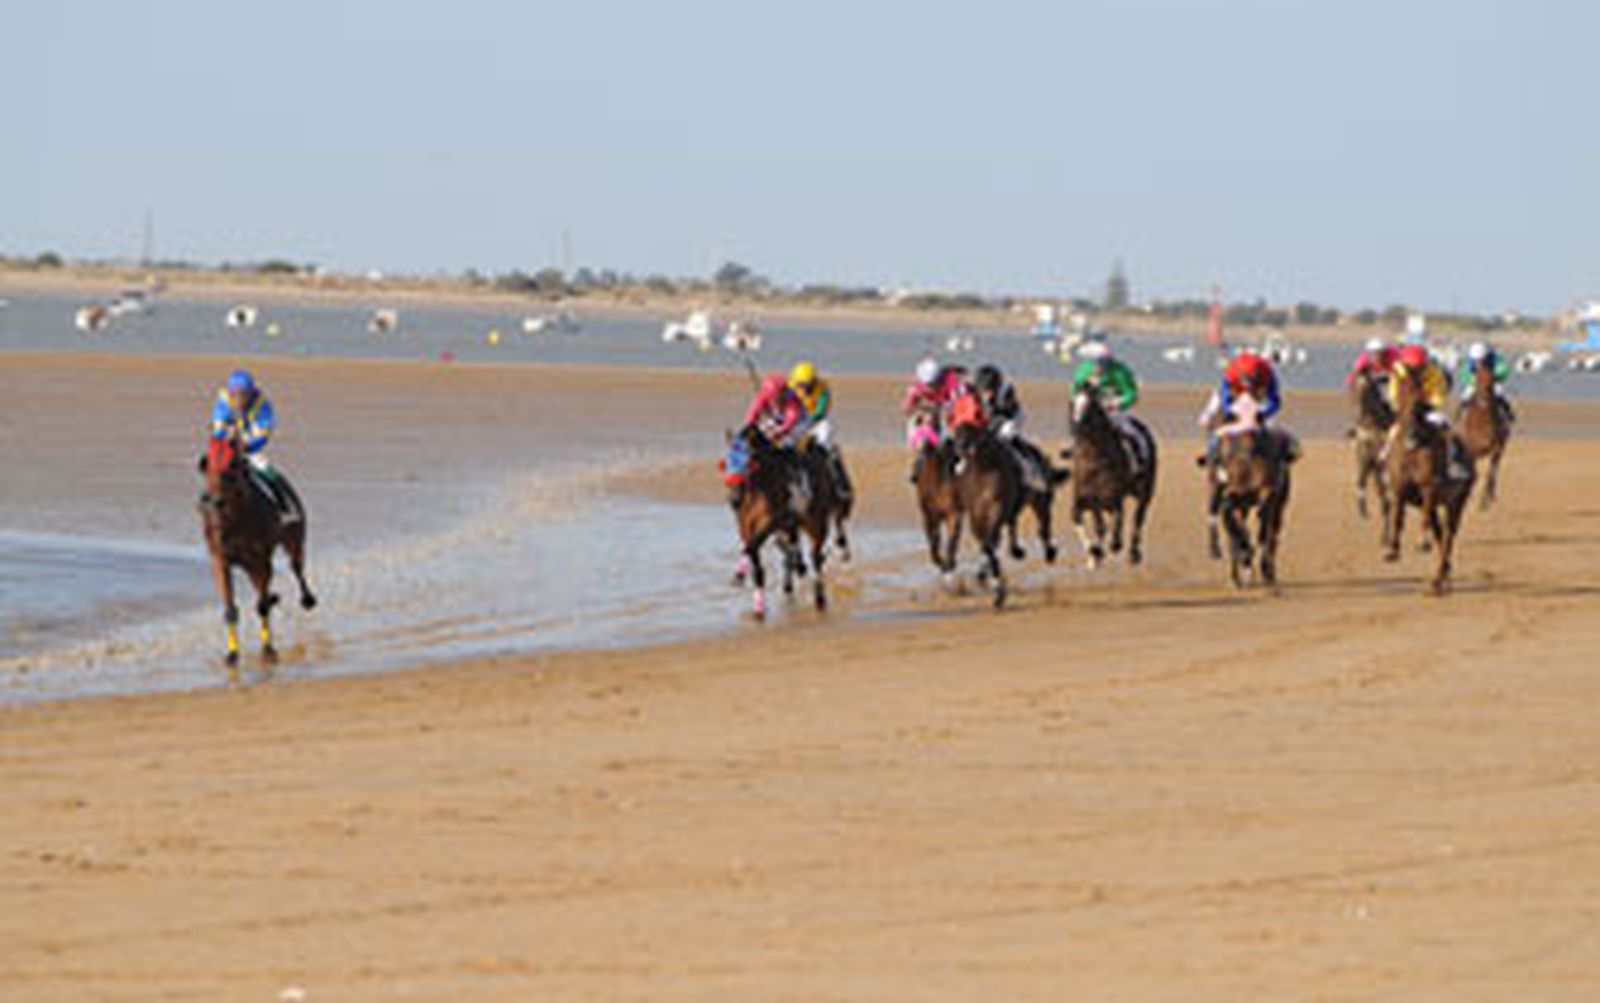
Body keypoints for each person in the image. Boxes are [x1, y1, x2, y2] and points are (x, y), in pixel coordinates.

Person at [208, 368, 300, 520]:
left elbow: (263, 433)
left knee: (268, 471)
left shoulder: (262, 405)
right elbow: (218, 425)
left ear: (250, 393)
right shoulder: (224, 400)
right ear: (230, 393)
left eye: (243, 395)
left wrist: (246, 444)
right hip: (226, 446)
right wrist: (226, 437)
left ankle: (285, 507)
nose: (239, 400)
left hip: (250, 448)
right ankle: (207, 500)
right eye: (235, 394)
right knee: (210, 467)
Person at [1387, 344, 1472, 479]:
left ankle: (1453, 461)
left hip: (1427, 409)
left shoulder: (1434, 372)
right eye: (1412, 367)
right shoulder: (1397, 373)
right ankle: (1386, 461)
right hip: (1407, 409)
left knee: (1447, 430)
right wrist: (1401, 406)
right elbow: (1392, 393)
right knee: (1392, 432)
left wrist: (1426, 401)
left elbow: (1439, 395)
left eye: (1419, 367)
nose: (1416, 370)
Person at [1070, 341, 1149, 473]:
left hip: (1115, 410)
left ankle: (1137, 457)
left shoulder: (1120, 372)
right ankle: (1073, 448)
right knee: (1081, 426)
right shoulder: (1084, 371)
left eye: (1101, 363)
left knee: (1130, 431)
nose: (1098, 367)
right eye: (1095, 363)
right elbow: (1075, 390)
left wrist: (1118, 402)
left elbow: (1132, 393)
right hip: (1092, 409)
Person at [973, 363, 1051, 492]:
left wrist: (993, 424)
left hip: (1012, 418)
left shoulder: (1006, 392)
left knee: (1007, 438)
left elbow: (1004, 415)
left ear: (996, 386)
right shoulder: (977, 393)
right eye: (983, 391)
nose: (986, 395)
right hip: (992, 420)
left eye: (988, 391)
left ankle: (1033, 472)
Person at [788, 360, 853, 504]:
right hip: (798, 422)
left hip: (817, 421)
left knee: (827, 434)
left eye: (807, 385)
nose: (804, 388)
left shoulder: (822, 389)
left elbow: (821, 410)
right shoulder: (790, 389)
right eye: (801, 385)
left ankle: (838, 480)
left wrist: (811, 419)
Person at [901, 357, 969, 480]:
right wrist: (921, 413)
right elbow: (906, 408)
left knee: (954, 431)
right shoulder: (917, 386)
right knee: (915, 425)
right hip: (931, 415)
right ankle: (918, 461)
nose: (930, 388)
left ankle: (960, 460)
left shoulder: (953, 382)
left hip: (953, 413)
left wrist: (943, 411)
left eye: (933, 384)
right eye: (927, 385)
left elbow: (960, 402)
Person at [742, 372, 808, 449]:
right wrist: (750, 425)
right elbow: (754, 410)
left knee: (787, 441)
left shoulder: (792, 400)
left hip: (798, 422)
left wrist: (779, 432)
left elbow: (790, 420)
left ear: (783, 392)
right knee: (761, 430)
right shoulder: (764, 395)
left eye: (777, 395)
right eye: (771, 396)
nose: (774, 399)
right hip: (778, 419)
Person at [1457, 341, 1515, 423]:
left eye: (1481, 359)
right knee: (1466, 394)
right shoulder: (1469, 360)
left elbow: (1504, 369)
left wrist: (1493, 376)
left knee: (1500, 391)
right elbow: (1464, 374)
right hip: (1476, 383)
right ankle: (1461, 414)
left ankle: (1507, 413)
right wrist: (1475, 380)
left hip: (1491, 382)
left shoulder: (1494, 357)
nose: (1478, 362)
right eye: (1476, 360)